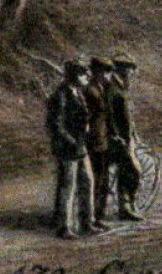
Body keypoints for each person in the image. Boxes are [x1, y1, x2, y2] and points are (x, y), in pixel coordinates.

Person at [46, 61, 95, 239]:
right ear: (73, 76)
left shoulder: (78, 93)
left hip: (80, 147)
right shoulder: (60, 96)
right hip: (68, 148)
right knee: (68, 187)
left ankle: (87, 222)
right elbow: (56, 125)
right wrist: (72, 141)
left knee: (87, 183)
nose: (87, 77)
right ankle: (64, 227)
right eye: (83, 74)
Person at [101, 57, 144, 222]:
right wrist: (115, 135)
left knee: (126, 170)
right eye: (130, 69)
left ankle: (125, 205)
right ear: (122, 69)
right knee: (133, 170)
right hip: (117, 140)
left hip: (125, 137)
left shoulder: (121, 86)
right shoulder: (112, 87)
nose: (132, 73)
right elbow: (109, 115)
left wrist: (133, 135)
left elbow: (127, 117)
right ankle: (125, 207)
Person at [84, 58, 114, 231]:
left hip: (103, 140)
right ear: (95, 72)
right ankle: (93, 217)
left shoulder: (103, 89)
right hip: (94, 140)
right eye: (103, 71)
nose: (105, 75)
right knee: (96, 180)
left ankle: (99, 216)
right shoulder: (90, 91)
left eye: (107, 72)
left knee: (103, 180)